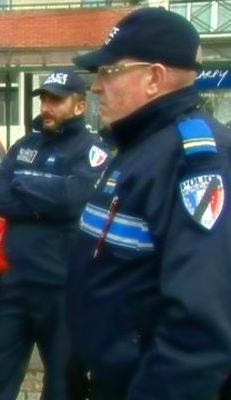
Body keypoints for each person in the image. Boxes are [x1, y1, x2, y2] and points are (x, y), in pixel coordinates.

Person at [67, 7, 231, 400]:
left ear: (154, 78)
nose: (95, 87)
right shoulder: (137, 147)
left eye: (109, 72)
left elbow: (197, 330)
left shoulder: (196, 162)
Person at [0, 68, 111, 400]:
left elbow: (72, 198)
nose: (47, 107)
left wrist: (22, 183)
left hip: (61, 289)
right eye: (45, 99)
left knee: (64, 386)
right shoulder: (25, 145)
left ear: (79, 106)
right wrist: (45, 200)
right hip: (15, 284)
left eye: (56, 100)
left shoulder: (93, 149)